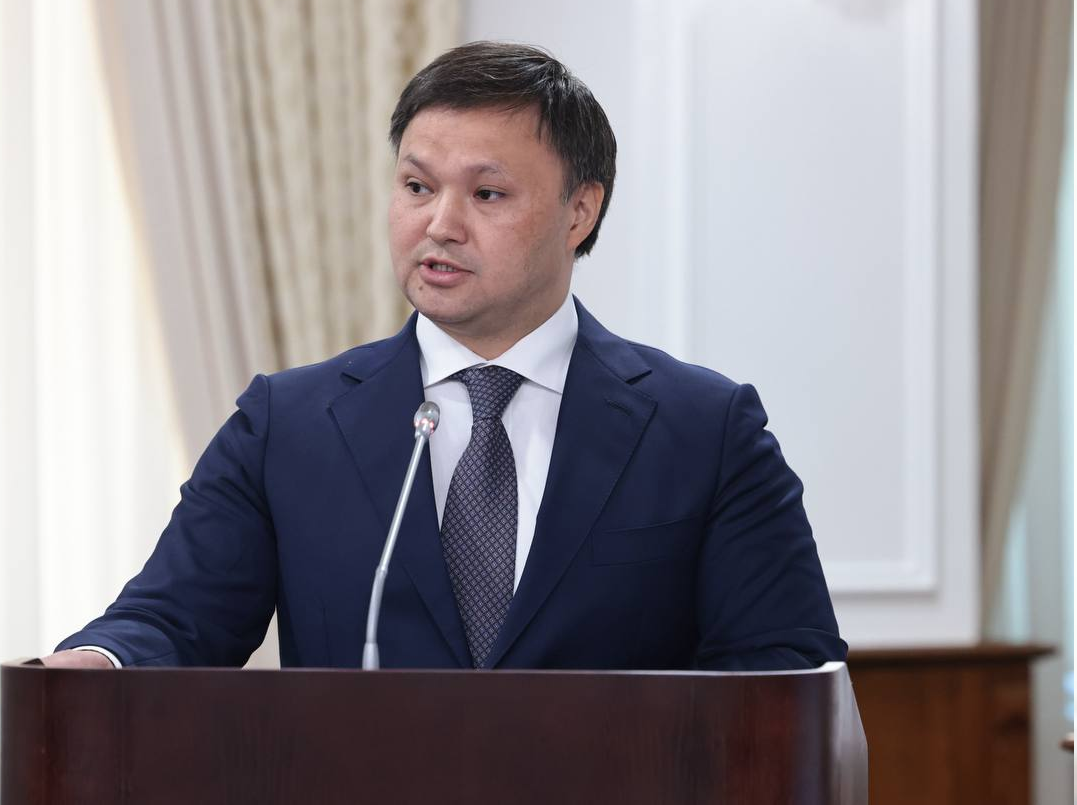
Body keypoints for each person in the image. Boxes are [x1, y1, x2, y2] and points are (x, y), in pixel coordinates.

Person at [43, 41, 846, 672]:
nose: (439, 225)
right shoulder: (286, 425)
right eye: (417, 187)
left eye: (486, 195)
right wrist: (97, 661)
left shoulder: (704, 429)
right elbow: (172, 618)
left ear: (579, 211)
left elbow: (783, 666)